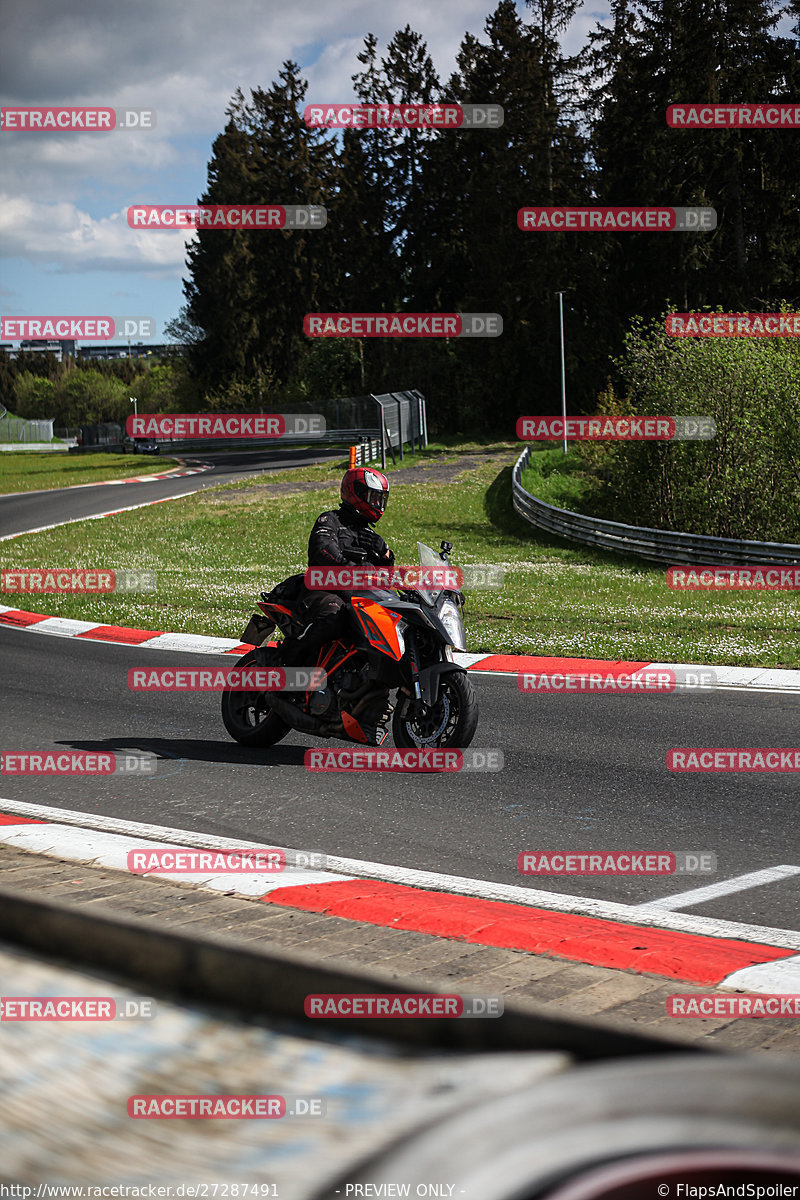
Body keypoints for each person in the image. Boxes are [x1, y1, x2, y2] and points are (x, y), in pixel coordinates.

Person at [278, 467, 394, 668]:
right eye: (373, 497)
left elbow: (386, 577)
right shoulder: (330, 520)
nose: (377, 504)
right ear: (355, 492)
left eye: (380, 499)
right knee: (333, 616)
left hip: (358, 596)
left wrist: (386, 554)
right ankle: (290, 659)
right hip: (322, 590)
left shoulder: (369, 535)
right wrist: (351, 569)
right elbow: (322, 550)